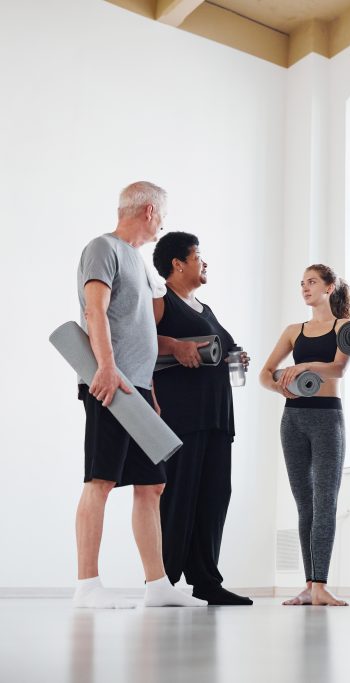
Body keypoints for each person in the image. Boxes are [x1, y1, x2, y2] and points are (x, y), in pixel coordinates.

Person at [73, 181, 202, 609]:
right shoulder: (103, 249)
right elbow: (96, 310)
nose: (163, 223)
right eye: (162, 215)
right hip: (110, 386)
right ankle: (87, 586)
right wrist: (107, 368)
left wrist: (150, 385)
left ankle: (157, 585)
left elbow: (141, 330)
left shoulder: (142, 265)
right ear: (149, 211)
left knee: (151, 486)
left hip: (139, 389)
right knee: (101, 481)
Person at [151, 231, 253, 606]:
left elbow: (221, 349)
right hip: (180, 416)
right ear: (178, 264)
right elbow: (139, 339)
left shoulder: (204, 309)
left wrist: (236, 357)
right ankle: (163, 581)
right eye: (198, 256)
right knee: (178, 496)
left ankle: (206, 581)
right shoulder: (161, 301)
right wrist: (175, 345)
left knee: (213, 497)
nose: (204, 262)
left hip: (216, 417)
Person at [260, 264, 350, 607]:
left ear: (330, 288)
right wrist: (280, 388)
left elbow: (339, 368)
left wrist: (303, 367)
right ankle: (309, 584)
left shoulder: (344, 327)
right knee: (305, 506)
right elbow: (264, 374)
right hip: (294, 420)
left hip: (328, 418)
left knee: (325, 501)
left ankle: (321, 584)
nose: (305, 288)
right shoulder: (293, 331)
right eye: (302, 283)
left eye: (312, 282)